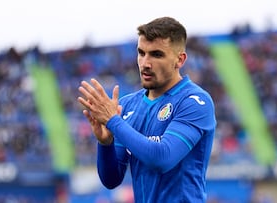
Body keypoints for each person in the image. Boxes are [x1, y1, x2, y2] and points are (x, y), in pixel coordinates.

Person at [77, 16, 216, 202]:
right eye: (141, 53)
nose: (145, 63)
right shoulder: (127, 106)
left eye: (156, 54)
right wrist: (105, 144)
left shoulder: (194, 101)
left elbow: (162, 158)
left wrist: (113, 121)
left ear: (180, 60)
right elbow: (111, 179)